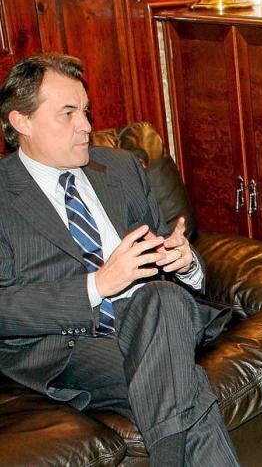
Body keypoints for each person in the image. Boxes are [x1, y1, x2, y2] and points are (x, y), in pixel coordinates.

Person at [0, 53, 240, 466]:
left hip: (155, 317)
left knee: (163, 298)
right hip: (70, 343)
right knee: (182, 383)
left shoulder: (122, 168)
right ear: (22, 121)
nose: (86, 126)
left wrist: (185, 263)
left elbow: (164, 248)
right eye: (68, 114)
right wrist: (97, 285)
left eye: (86, 112)